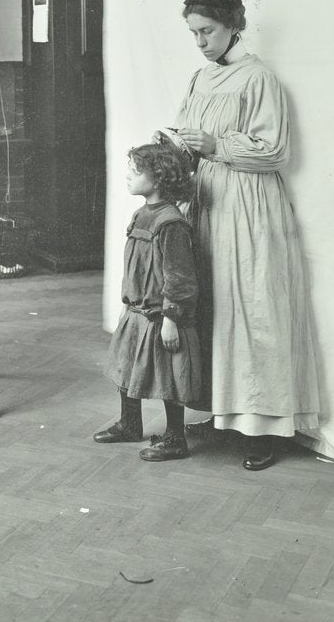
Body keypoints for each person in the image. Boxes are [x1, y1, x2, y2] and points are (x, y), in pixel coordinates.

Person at [176, 0, 320, 470]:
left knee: (252, 306)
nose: (200, 42)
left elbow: (276, 151)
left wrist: (216, 146)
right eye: (193, 32)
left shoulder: (259, 79)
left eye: (208, 31)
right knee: (213, 307)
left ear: (234, 25)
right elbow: (185, 134)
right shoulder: (199, 79)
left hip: (249, 203)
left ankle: (263, 427)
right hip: (208, 201)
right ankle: (223, 413)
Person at [95, 139, 206, 462]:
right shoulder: (142, 214)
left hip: (162, 317)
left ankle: (175, 438)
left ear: (158, 177)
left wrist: (172, 319)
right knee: (126, 368)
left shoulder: (170, 222)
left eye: (135, 171)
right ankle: (130, 424)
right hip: (137, 312)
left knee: (169, 378)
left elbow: (179, 277)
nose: (128, 176)